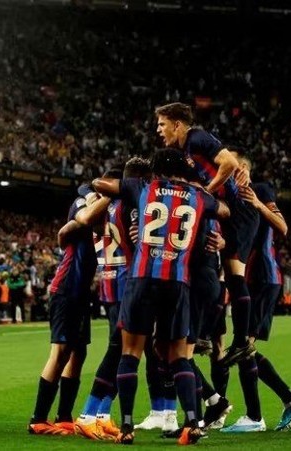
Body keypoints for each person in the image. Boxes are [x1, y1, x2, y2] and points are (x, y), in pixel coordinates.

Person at [92, 148, 230, 445]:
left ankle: (126, 427)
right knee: (178, 356)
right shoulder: (198, 196)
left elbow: (99, 184)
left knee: (130, 353)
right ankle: (192, 422)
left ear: (157, 170)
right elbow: (224, 210)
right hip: (177, 282)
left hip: (142, 279)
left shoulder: (143, 187)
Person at [154, 102, 259, 366]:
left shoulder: (197, 137)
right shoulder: (185, 151)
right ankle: (205, 334)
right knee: (214, 268)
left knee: (234, 275)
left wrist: (206, 192)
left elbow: (229, 163)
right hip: (226, 214)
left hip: (239, 211)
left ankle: (241, 341)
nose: (158, 129)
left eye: (162, 124)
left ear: (177, 124)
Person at [219, 155, 291, 433]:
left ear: (242, 167)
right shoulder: (230, 197)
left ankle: (260, 414)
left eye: (230, 163)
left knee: (244, 346)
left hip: (263, 277)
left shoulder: (260, 189)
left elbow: (282, 227)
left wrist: (257, 203)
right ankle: (283, 402)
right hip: (247, 278)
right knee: (244, 347)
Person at [73, 158, 151, 441]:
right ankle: (88, 413)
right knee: (119, 349)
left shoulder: (102, 208)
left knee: (119, 350)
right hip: (125, 280)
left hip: (108, 280)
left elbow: (86, 208)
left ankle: (103, 414)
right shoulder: (128, 206)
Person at [27, 185, 100, 436]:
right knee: (60, 352)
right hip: (66, 288)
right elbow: (80, 221)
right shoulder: (83, 202)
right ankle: (38, 419)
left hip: (81, 293)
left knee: (78, 353)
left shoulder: (103, 210)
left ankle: (65, 417)